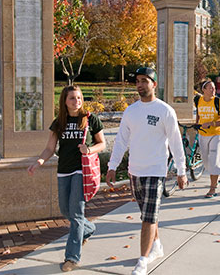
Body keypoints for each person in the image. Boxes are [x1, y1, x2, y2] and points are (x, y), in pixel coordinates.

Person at [106, 67, 187, 275]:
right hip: (135, 171)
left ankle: (142, 261)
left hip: (156, 171)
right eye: (138, 81)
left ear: (154, 84)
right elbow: (121, 141)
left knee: (148, 218)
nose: (140, 84)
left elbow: (176, 143)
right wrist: (112, 166)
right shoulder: (131, 111)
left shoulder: (165, 110)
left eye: (145, 80)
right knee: (148, 214)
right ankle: (157, 246)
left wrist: (181, 170)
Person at [28, 85, 106, 272]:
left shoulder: (90, 119)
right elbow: (50, 148)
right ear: (64, 100)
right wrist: (39, 161)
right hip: (64, 170)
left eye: (79, 98)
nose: (77, 101)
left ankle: (72, 258)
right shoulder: (59, 122)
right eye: (72, 98)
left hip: (82, 171)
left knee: (76, 213)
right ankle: (88, 229)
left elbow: (101, 144)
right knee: (65, 210)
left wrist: (89, 149)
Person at [195, 79, 220, 198]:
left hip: (216, 134)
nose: (213, 90)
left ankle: (213, 188)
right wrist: (197, 124)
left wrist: (211, 123)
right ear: (204, 90)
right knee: (205, 161)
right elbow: (198, 114)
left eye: (214, 88)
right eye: (210, 88)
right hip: (203, 134)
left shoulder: (219, 102)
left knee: (214, 160)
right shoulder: (198, 100)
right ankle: (216, 175)